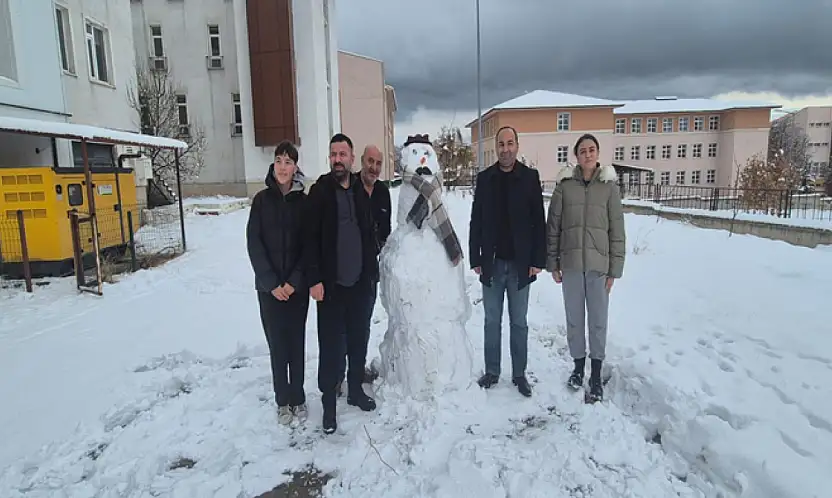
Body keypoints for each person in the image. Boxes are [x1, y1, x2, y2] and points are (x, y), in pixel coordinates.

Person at [304, 133, 379, 434]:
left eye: (342, 154)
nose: (338, 159)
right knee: (331, 346)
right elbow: (309, 240)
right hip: (330, 287)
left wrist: (371, 272)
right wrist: (314, 279)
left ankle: (356, 390)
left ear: (351, 157)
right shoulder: (319, 192)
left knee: (358, 340)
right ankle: (328, 404)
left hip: (359, 283)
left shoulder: (360, 190)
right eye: (333, 154)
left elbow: (368, 232)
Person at [545, 133, 626, 403]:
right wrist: (553, 263)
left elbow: (617, 231)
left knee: (598, 321)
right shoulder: (565, 187)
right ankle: (578, 368)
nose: (588, 154)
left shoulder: (609, 188)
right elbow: (553, 227)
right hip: (570, 265)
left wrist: (614, 270)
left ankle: (596, 373)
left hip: (599, 267)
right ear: (576, 156)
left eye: (592, 150)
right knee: (574, 319)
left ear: (597, 154)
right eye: (583, 151)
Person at [469, 126, 546, 398]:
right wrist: (476, 257)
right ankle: (492, 371)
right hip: (492, 263)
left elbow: (539, 221)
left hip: (520, 265)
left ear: (517, 145)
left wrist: (538, 260)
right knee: (492, 321)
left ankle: (519, 374)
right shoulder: (485, 179)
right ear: (496, 147)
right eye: (501, 144)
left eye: (510, 143)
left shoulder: (529, 178)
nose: (505, 149)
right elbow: (476, 220)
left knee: (519, 322)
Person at [245, 140, 310, 425]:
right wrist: (272, 283)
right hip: (268, 290)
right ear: (273, 165)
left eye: (288, 162)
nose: (283, 167)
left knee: (296, 343)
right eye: (279, 161)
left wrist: (294, 281)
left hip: (297, 289)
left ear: (295, 167)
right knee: (277, 345)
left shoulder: (303, 203)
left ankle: (298, 396)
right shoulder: (261, 201)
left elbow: (308, 246)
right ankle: (282, 400)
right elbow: (254, 244)